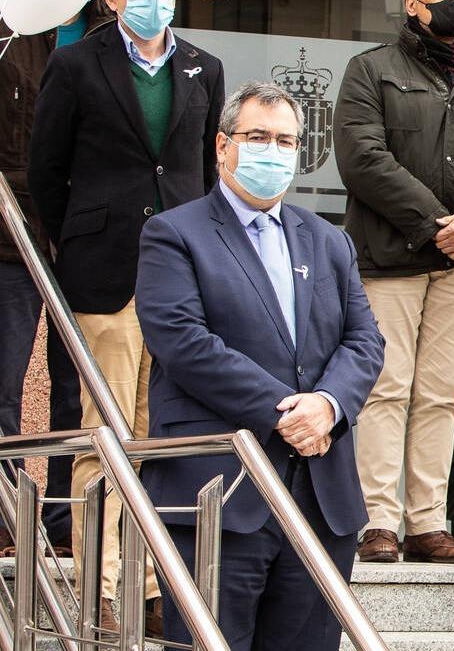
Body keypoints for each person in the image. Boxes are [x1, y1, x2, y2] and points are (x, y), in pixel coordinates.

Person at [135, 82, 384, 649]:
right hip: (219, 495)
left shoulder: (329, 240)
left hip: (320, 500)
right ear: (223, 146)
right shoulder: (173, 233)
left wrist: (327, 405)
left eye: (286, 140)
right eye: (257, 137)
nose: (273, 149)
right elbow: (181, 341)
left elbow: (365, 340)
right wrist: (286, 413)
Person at [29, 0, 226, 631]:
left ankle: (150, 582)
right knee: (99, 434)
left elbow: (203, 175)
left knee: (153, 433)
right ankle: (99, 584)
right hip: (103, 275)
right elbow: (45, 171)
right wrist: (77, 239)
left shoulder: (205, 68)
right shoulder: (76, 64)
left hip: (178, 280)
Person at [335, 0, 454, 566]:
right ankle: (377, 519)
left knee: (440, 393)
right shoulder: (370, 69)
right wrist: (439, 224)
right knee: (386, 387)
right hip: (391, 258)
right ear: (413, 2)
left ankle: (427, 521)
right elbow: (362, 158)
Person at [0, 0, 107, 555]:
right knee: (5, 381)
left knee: (77, 389)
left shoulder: (109, 35)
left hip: (89, 236)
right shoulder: (13, 28)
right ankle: (9, 515)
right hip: (13, 235)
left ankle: (69, 522)